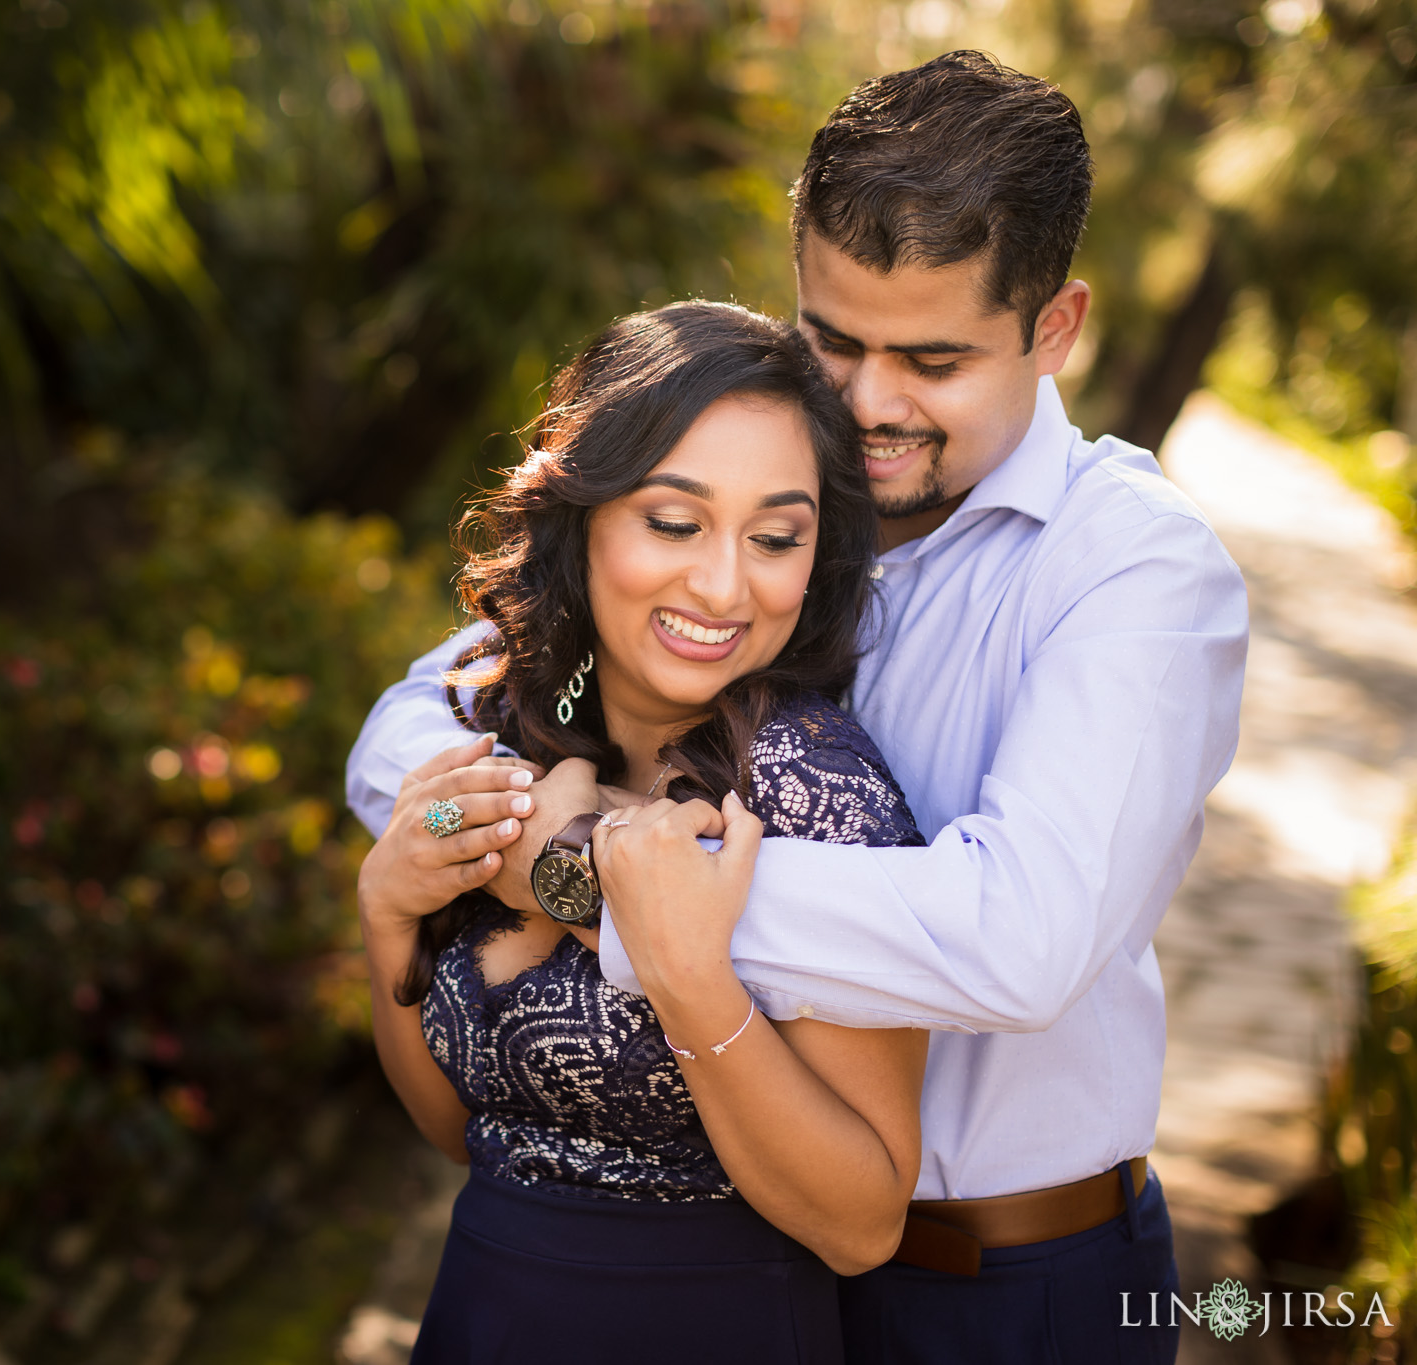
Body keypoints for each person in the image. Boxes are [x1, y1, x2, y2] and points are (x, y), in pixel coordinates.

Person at [347, 51, 1249, 1364]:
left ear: (1055, 329)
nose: (870, 405)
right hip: (740, 1258)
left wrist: (593, 879)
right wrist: (482, 823)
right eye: (835, 341)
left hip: (1003, 1284)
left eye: (933, 359)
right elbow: (410, 729)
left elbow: (1017, 940)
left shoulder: (1136, 569)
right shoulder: (771, 510)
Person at [358, 301, 927, 1362]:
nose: (721, 586)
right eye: (673, 523)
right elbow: (457, 1133)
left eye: (774, 539)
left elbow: (863, 1224)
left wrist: (687, 981)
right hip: (480, 1312)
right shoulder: (503, 726)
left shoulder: (807, 792)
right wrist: (384, 911)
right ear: (581, 516)